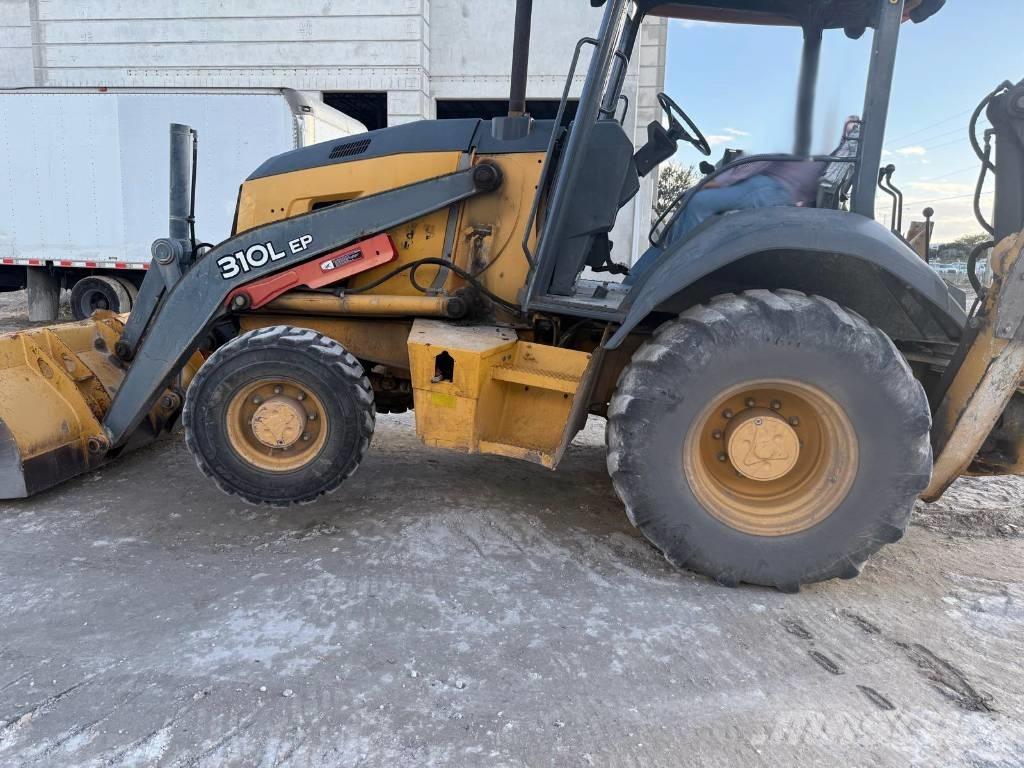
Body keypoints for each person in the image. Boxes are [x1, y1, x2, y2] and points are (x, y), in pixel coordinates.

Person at [622, 115, 863, 285]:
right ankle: (648, 275)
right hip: (782, 191)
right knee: (692, 207)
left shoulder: (808, 137)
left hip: (775, 190)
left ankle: (668, 273)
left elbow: (756, 164)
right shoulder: (826, 140)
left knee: (697, 202)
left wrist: (715, 182)